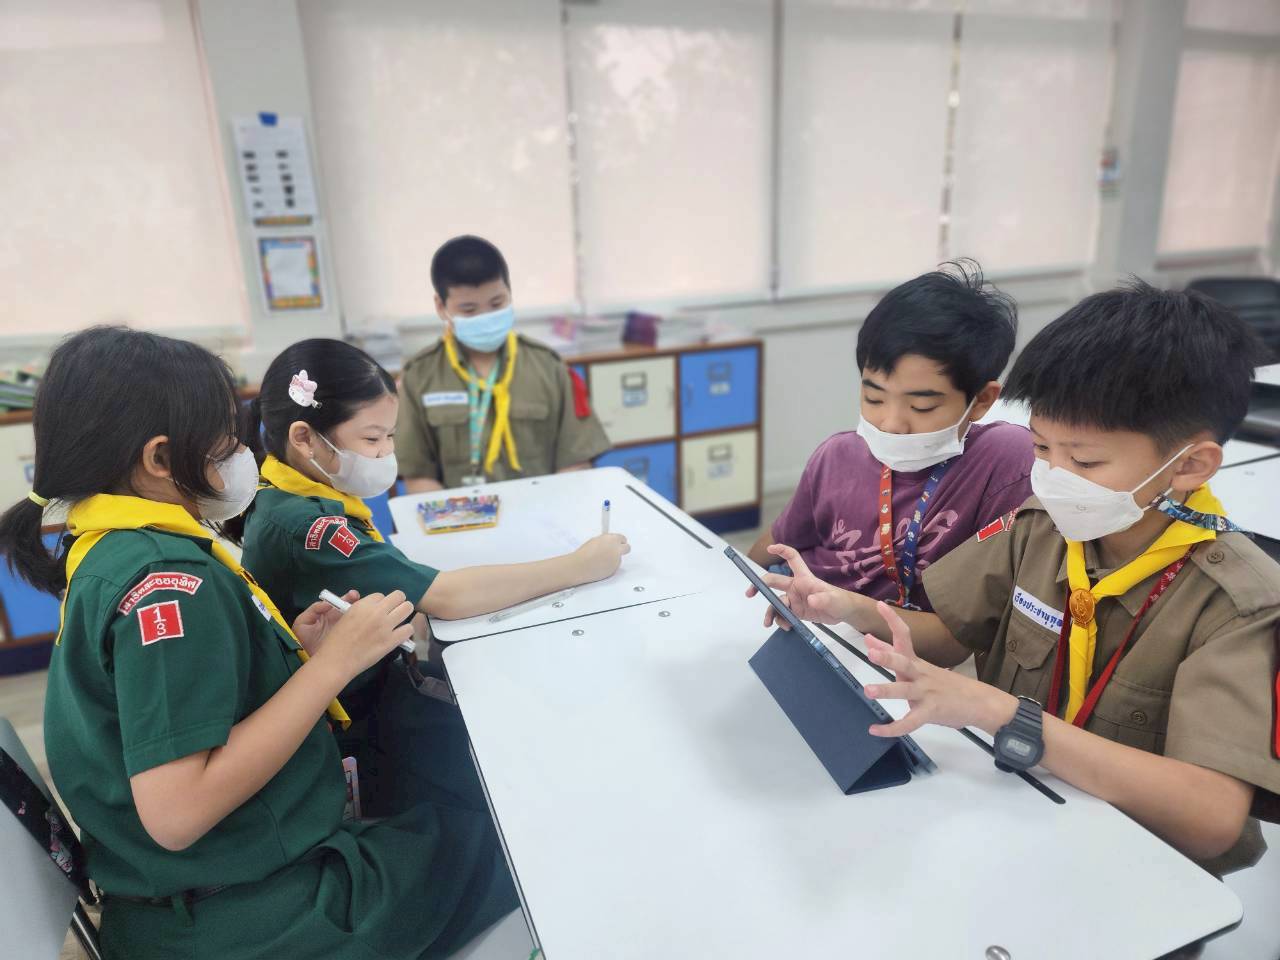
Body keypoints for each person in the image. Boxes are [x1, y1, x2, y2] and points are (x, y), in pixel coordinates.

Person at [0, 327, 517, 959]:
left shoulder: (115, 549)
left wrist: (293, 654)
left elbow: (173, 699)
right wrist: (331, 670)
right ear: (160, 459)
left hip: (200, 890)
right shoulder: (171, 584)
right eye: (225, 441)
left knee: (448, 818)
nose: (241, 452)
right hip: (254, 914)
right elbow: (177, 812)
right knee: (511, 836)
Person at [756, 281, 1280, 874]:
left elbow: (1211, 818)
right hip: (1014, 820)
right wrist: (844, 606)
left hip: (1141, 869)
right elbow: (950, 637)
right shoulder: (1041, 528)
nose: (1053, 476)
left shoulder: (1240, 604)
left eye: (1085, 460)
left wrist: (1001, 713)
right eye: (1041, 448)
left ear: (1189, 465)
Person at [231, 337, 629, 816]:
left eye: (390, 436)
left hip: (366, 688)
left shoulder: (288, 489)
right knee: (514, 768)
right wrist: (580, 565)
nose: (386, 452)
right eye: (372, 439)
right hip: (357, 719)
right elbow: (448, 596)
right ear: (304, 438)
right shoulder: (307, 527)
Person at [748, 261, 1032, 612]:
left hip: (879, 627)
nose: (891, 423)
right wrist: (736, 581)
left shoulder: (1002, 460)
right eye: (874, 398)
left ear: (982, 401)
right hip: (806, 604)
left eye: (922, 406)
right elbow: (780, 541)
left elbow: (984, 613)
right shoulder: (837, 456)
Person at [396, 234, 610, 492]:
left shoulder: (549, 367)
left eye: (497, 303)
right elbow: (418, 475)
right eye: (469, 310)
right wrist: (453, 517)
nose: (486, 316)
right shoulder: (419, 376)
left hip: (544, 508)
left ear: (510, 293)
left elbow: (576, 462)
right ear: (441, 306)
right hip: (458, 514)